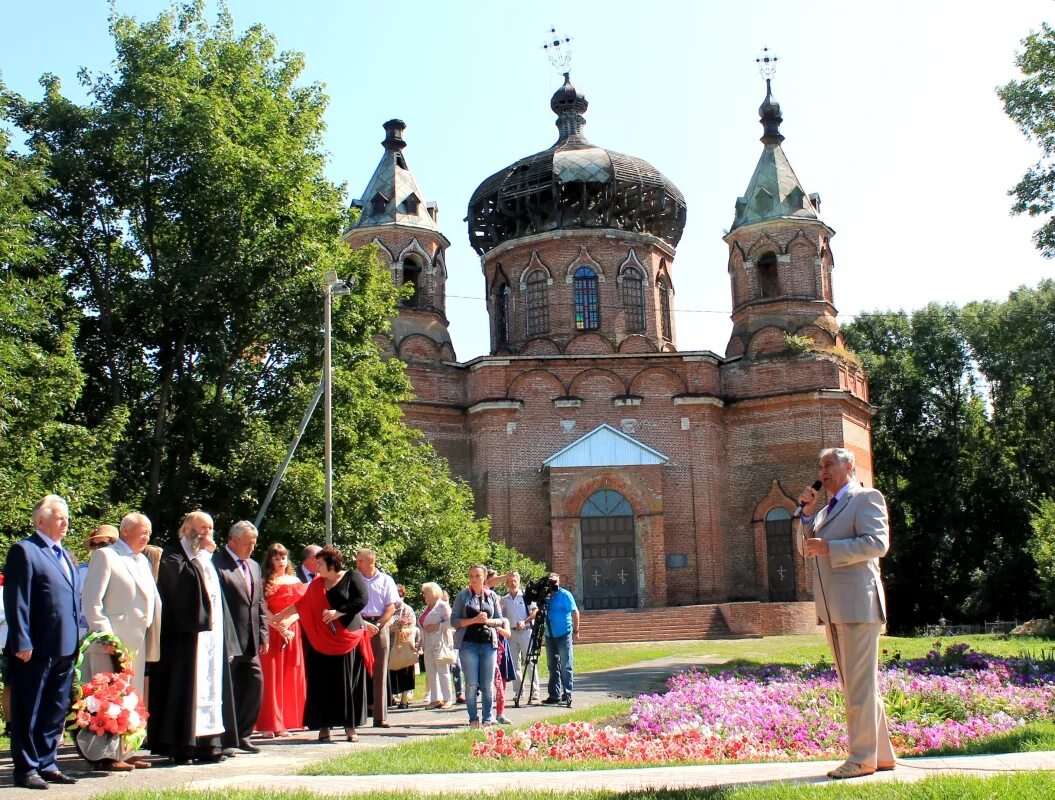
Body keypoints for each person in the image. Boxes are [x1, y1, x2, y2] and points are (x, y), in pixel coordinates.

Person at [799, 447, 895, 780]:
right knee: (858, 685)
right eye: (819, 466)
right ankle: (880, 755)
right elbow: (806, 549)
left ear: (848, 466)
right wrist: (808, 517)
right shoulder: (825, 512)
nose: (822, 471)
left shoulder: (866, 498)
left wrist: (831, 548)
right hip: (834, 607)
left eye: (828, 464)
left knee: (859, 686)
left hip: (858, 605)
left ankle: (860, 758)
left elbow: (877, 544)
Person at [148, 511, 240, 765]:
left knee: (212, 688)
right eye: (201, 528)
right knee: (186, 689)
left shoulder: (206, 558)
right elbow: (182, 586)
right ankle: (183, 745)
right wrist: (202, 557)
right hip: (186, 640)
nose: (206, 533)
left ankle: (209, 743)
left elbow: (218, 599)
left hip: (211, 640)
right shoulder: (173, 555)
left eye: (209, 528)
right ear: (186, 528)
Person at [3, 494, 82, 789]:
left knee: (55, 708)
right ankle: (26, 769)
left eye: (67, 517)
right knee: (30, 708)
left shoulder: (66, 555)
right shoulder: (25, 551)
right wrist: (22, 640)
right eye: (60, 517)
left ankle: (48, 762)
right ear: (40, 520)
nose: (66, 522)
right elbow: (17, 600)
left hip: (65, 644)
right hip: (35, 646)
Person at [80, 512, 161, 771]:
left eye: (149, 532)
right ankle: (103, 756)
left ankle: (126, 751)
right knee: (107, 699)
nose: (147, 536)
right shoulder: (106, 556)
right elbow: (92, 602)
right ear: (125, 531)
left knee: (128, 700)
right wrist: (104, 634)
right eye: (143, 531)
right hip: (110, 643)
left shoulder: (142, 561)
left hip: (135, 642)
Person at [272, 545, 373, 743]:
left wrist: (338, 612)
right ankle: (324, 726)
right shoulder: (317, 584)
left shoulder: (352, 576)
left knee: (346, 686)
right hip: (321, 641)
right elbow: (302, 604)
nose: (317, 568)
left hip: (347, 639)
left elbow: (361, 600)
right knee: (321, 685)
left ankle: (350, 728)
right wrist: (281, 615)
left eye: (320, 564)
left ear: (332, 563)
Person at [213, 521, 269, 754]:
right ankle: (227, 738)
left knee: (254, 685)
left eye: (254, 544)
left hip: (251, 640)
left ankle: (243, 733)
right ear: (233, 540)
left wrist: (264, 633)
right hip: (228, 638)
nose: (251, 548)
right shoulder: (217, 564)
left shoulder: (254, 566)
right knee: (229, 689)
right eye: (247, 543)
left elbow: (259, 602)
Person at [255, 543, 307, 738]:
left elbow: (303, 607)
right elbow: (262, 608)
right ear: (270, 560)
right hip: (272, 630)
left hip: (292, 631)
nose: (280, 561)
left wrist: (287, 624)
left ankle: (284, 722)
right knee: (271, 677)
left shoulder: (295, 581)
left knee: (287, 675)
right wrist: (277, 625)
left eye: (283, 557)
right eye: (276, 558)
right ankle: (269, 723)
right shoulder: (264, 582)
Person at [451, 564, 504, 729]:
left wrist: (487, 621)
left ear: (485, 577)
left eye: (477, 576)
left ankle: (488, 718)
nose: (474, 579)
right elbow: (454, 621)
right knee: (472, 684)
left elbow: (501, 620)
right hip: (468, 644)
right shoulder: (462, 596)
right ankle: (473, 718)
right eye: (471, 575)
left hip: (488, 644)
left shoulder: (492, 596)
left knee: (488, 684)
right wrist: (473, 620)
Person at [356, 548, 399, 728]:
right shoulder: (354, 579)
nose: (357, 564)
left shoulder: (386, 580)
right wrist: (362, 623)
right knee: (357, 670)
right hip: (358, 625)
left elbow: (392, 606)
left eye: (360, 561)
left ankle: (380, 717)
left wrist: (379, 625)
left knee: (380, 671)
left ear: (371, 561)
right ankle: (356, 716)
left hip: (379, 625)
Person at [541, 572, 579, 708]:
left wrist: (576, 630)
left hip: (564, 633)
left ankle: (567, 694)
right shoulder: (545, 596)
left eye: (555, 582)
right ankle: (554, 695)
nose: (553, 585)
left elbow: (575, 612)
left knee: (565, 665)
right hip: (549, 635)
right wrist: (545, 596)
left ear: (559, 582)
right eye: (550, 582)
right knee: (552, 665)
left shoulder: (565, 595)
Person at [501, 571, 539, 703]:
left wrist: (525, 621)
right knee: (514, 664)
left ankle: (535, 691)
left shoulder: (526, 596)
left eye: (514, 580)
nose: (512, 583)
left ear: (518, 581)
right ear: (506, 583)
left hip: (526, 632)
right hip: (512, 634)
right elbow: (502, 616)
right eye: (510, 581)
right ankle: (518, 692)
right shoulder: (504, 599)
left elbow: (535, 611)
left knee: (530, 662)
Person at [419, 582, 453, 709]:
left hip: (440, 643)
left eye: (425, 592)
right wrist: (420, 644)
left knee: (443, 671)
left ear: (433, 593)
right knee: (431, 672)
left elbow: (451, 622)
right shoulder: (427, 608)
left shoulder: (442, 606)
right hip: (427, 644)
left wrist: (438, 626)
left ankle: (448, 698)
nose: (424, 595)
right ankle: (435, 699)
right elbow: (423, 627)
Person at [389, 584, 417, 709]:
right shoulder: (388, 609)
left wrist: (399, 629)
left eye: (399, 596)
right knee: (390, 672)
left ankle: (404, 700)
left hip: (404, 645)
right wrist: (391, 628)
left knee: (406, 672)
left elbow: (412, 628)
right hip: (390, 645)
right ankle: (391, 697)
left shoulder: (407, 610)